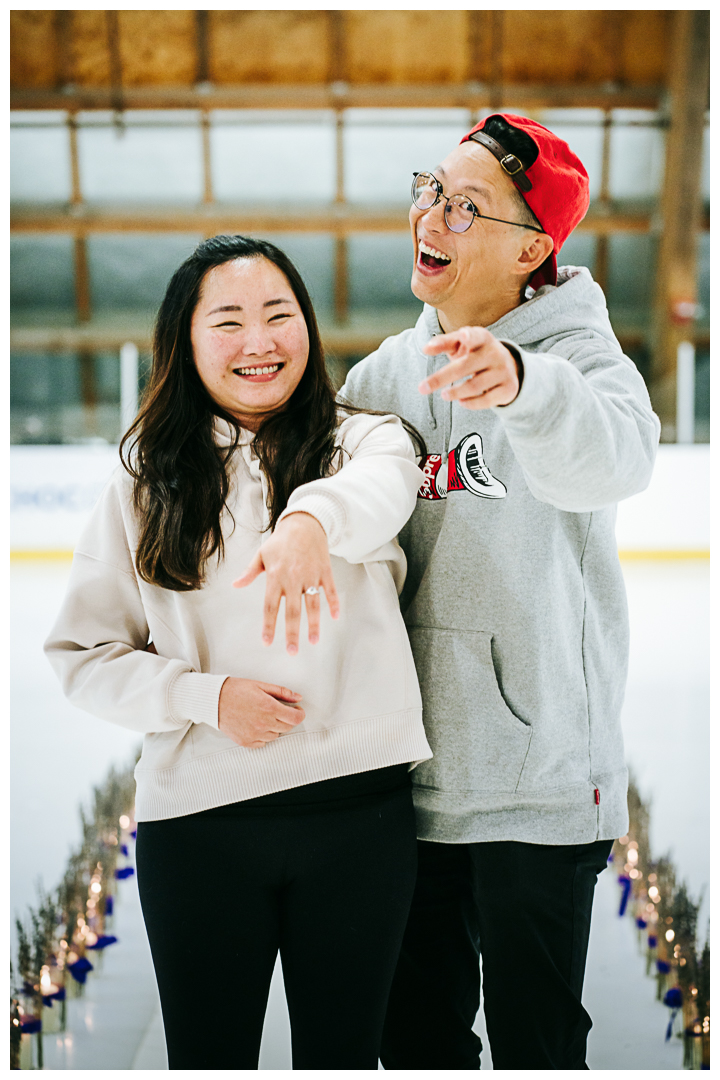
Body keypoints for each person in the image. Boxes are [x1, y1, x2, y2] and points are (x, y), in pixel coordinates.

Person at [265, 113, 660, 1069]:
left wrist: (524, 385)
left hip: (541, 786)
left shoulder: (579, 360)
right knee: (416, 1042)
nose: (429, 218)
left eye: (464, 206)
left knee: (537, 1046)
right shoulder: (383, 376)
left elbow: (618, 459)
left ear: (533, 248)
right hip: (406, 785)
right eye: (429, 190)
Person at [44, 234, 433, 1070]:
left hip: (358, 817)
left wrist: (307, 521)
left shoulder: (366, 442)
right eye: (228, 322)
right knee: (208, 1057)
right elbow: (82, 652)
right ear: (185, 343)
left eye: (278, 316)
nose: (259, 343)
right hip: (200, 827)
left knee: (346, 1055)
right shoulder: (146, 481)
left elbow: (381, 491)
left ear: (308, 326)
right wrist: (206, 698)